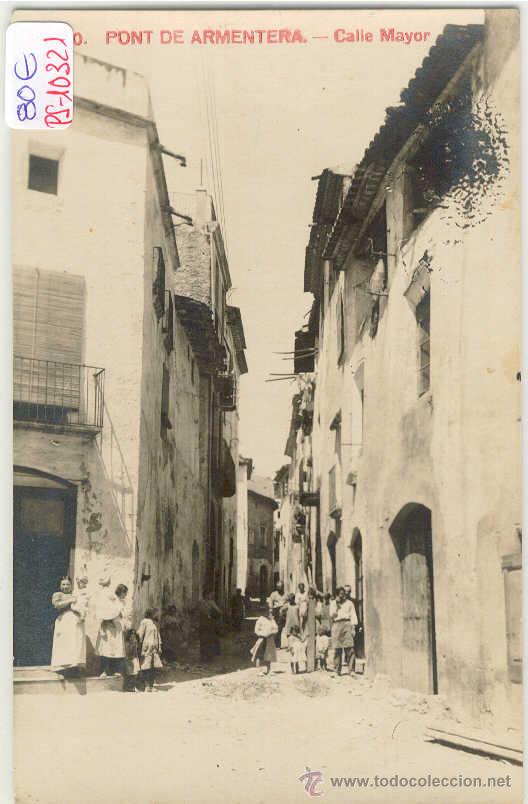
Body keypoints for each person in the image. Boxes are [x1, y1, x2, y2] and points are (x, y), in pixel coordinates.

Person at [51, 577, 86, 675]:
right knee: (64, 644)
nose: (65, 586)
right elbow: (57, 605)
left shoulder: (75, 594)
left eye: (68, 584)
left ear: (71, 586)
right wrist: (70, 600)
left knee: (74, 643)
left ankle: (74, 667)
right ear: (60, 585)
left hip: (74, 621)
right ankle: (63, 667)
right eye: (63, 584)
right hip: (63, 620)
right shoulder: (58, 595)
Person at [95, 583, 129, 677]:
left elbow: (124, 614)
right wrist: (109, 619)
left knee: (118, 649)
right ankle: (104, 671)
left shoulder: (123, 603)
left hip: (117, 628)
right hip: (108, 627)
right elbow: (105, 611)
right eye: (125, 593)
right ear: (120, 592)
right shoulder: (111, 600)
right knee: (106, 649)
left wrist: (122, 615)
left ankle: (117, 671)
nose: (125, 595)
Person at [330, 587, 358, 675]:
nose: (343, 596)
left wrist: (353, 627)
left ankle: (351, 670)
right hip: (337, 624)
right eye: (340, 594)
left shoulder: (350, 603)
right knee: (337, 648)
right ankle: (336, 670)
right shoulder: (333, 603)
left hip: (347, 624)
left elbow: (353, 615)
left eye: (344, 594)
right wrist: (337, 606)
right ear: (337, 595)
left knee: (349, 647)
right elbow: (332, 615)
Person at [138, 609, 163, 692]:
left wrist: (159, 646)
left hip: (154, 649)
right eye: (155, 614)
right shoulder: (144, 622)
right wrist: (139, 646)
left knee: (153, 668)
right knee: (146, 667)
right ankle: (146, 686)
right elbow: (140, 634)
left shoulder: (154, 624)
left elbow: (158, 635)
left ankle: (151, 686)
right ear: (151, 614)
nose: (157, 615)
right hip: (147, 648)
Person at [249, 610, 278, 675]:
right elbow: (256, 630)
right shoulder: (260, 620)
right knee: (259, 655)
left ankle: (269, 670)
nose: (268, 613)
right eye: (266, 611)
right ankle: (260, 670)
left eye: (269, 612)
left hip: (270, 639)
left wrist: (272, 632)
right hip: (262, 638)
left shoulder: (271, 620)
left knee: (269, 655)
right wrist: (262, 634)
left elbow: (276, 628)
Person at [198, 593, 222, 662]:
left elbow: (197, 611)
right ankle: (209, 656)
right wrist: (213, 616)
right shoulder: (211, 602)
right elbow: (219, 612)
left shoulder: (200, 602)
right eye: (209, 594)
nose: (210, 595)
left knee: (203, 639)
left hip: (202, 622)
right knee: (210, 639)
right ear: (206, 595)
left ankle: (203, 655)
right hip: (209, 623)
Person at [267, 581, 286, 646]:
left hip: (284, 613)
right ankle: (276, 643)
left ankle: (278, 643)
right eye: (279, 587)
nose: (280, 589)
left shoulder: (286, 594)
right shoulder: (273, 594)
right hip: (276, 612)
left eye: (281, 587)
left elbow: (288, 602)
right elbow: (270, 603)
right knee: (276, 628)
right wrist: (270, 613)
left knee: (281, 628)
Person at [123, 628, 141, 692]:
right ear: (129, 635)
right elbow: (128, 652)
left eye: (134, 633)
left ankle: (133, 687)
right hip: (130, 659)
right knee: (130, 674)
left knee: (135, 674)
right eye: (132, 633)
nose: (133, 635)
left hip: (135, 659)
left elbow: (137, 651)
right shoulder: (127, 643)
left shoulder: (136, 642)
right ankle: (129, 687)